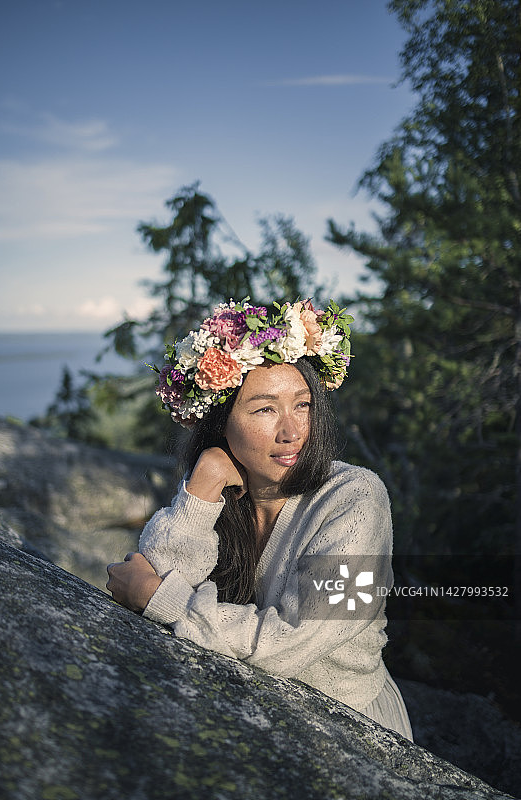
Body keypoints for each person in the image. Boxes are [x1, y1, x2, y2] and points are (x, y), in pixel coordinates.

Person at [106, 298, 413, 741]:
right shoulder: (223, 486)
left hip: (346, 729)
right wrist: (202, 491)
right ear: (221, 423)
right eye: (265, 409)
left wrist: (162, 599)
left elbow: (291, 641)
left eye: (302, 405)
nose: (291, 432)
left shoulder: (356, 499)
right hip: (245, 705)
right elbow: (155, 570)